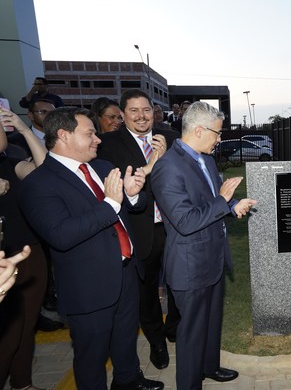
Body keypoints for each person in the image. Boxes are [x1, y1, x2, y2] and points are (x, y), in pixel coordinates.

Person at [18, 107, 163, 390]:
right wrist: (111, 203)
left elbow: (137, 205)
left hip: (126, 273)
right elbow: (61, 235)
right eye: (89, 133)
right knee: (91, 356)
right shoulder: (38, 184)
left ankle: (128, 380)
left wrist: (132, 196)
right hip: (89, 286)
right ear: (63, 135)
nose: (97, 139)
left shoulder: (103, 167)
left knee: (125, 338)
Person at [152, 101, 257, 389]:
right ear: (198, 130)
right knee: (192, 333)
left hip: (213, 257)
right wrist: (223, 201)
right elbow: (185, 221)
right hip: (190, 265)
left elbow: (210, 201)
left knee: (211, 323)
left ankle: (209, 367)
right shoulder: (167, 168)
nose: (219, 139)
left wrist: (233, 206)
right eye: (217, 133)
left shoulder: (207, 159)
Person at [97, 89, 180, 370]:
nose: (141, 116)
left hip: (174, 225)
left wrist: (168, 157)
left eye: (146, 110)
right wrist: (157, 160)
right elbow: (127, 183)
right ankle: (156, 340)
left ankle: (175, 327)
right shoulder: (108, 144)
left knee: (181, 281)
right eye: (134, 111)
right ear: (122, 114)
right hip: (141, 229)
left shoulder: (169, 137)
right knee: (147, 292)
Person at [0, 108, 49, 390]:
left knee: (26, 324)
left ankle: (22, 383)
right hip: (3, 261)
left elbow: (44, 172)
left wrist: (25, 130)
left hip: (29, 254)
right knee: (6, 333)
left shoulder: (12, 159)